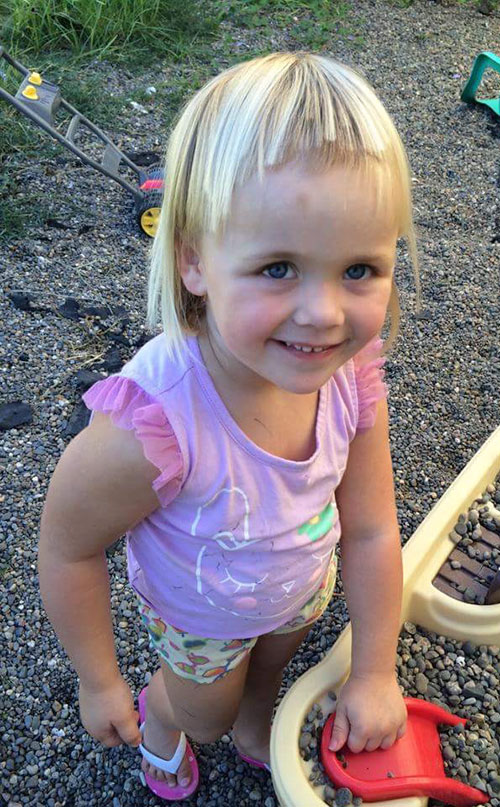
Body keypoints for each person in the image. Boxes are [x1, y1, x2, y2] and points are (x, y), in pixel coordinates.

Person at [38, 51, 421, 801]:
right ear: (193, 261)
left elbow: (372, 527)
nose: (323, 313)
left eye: (359, 269)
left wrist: (377, 671)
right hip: (199, 622)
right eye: (278, 266)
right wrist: (99, 680)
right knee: (202, 715)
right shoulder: (154, 421)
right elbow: (67, 545)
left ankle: (258, 718)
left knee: (272, 669)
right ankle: (163, 721)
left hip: (300, 587)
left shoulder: (350, 375)